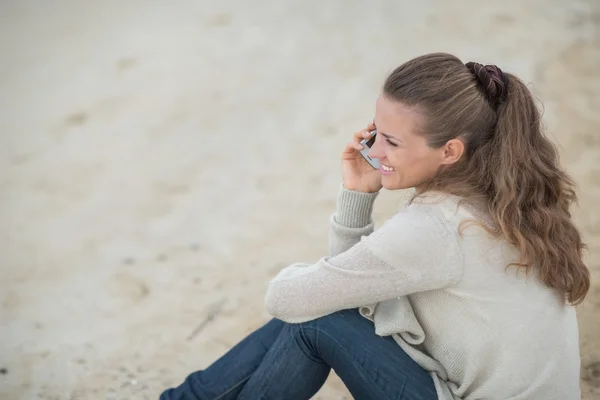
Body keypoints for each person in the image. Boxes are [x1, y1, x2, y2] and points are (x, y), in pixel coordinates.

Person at [160, 53, 590, 400]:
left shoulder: (436, 227)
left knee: (316, 320)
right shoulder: (505, 198)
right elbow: (351, 290)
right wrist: (359, 195)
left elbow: (288, 299)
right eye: (377, 132)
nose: (374, 149)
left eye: (393, 141)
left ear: (450, 151)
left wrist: (313, 276)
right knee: (327, 305)